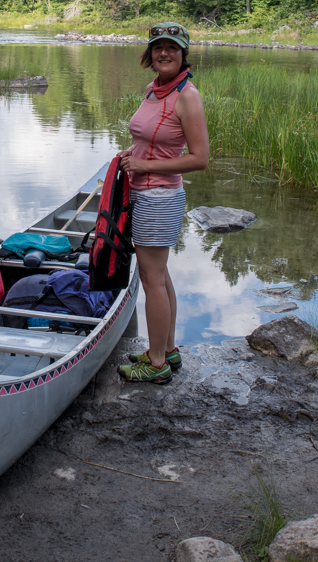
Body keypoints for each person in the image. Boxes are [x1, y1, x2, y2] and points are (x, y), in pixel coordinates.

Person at [116, 22, 209, 384]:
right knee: (161, 274)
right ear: (150, 54)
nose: (164, 53)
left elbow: (199, 158)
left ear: (184, 53)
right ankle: (167, 349)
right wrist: (134, 154)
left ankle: (155, 365)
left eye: (172, 47)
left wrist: (146, 164)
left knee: (151, 278)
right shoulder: (154, 90)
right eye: (158, 47)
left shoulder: (187, 96)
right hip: (143, 190)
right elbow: (152, 138)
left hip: (159, 196)